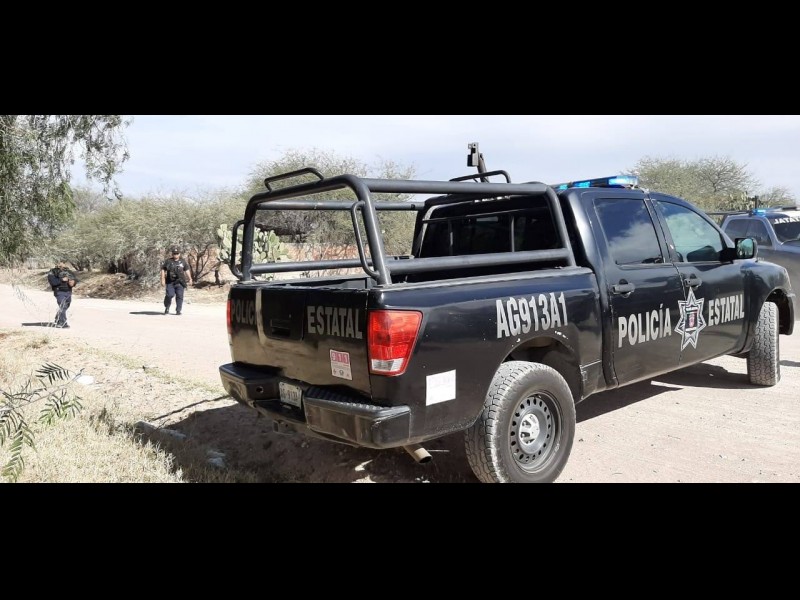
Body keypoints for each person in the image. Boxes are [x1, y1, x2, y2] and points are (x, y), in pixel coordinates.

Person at [161, 246, 193, 315]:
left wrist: (190, 279)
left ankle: (178, 310)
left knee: (179, 296)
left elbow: (187, 270)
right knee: (170, 295)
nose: (175, 255)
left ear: (179, 254)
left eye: (177, 253)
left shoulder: (183, 261)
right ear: (172, 254)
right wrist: (162, 279)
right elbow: (163, 269)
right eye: (174, 253)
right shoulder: (168, 261)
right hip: (170, 282)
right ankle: (167, 306)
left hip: (180, 282)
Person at [47, 260, 78, 328]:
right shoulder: (52, 272)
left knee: (66, 305)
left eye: (63, 263)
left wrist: (73, 283)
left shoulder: (69, 271)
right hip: (59, 292)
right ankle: (62, 322)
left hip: (68, 291)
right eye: (60, 263)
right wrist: (62, 280)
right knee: (62, 306)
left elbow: (75, 280)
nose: (62, 264)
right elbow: (53, 282)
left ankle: (58, 317)